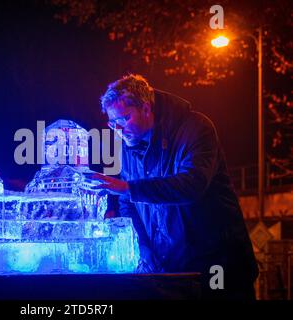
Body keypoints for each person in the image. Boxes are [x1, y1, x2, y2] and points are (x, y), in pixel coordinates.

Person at [92, 74, 259, 299]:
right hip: (169, 268)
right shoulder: (127, 146)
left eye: (124, 119)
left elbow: (192, 184)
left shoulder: (196, 128)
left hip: (218, 263)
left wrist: (128, 188)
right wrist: (144, 248)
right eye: (113, 124)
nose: (118, 130)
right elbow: (127, 205)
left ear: (146, 108)